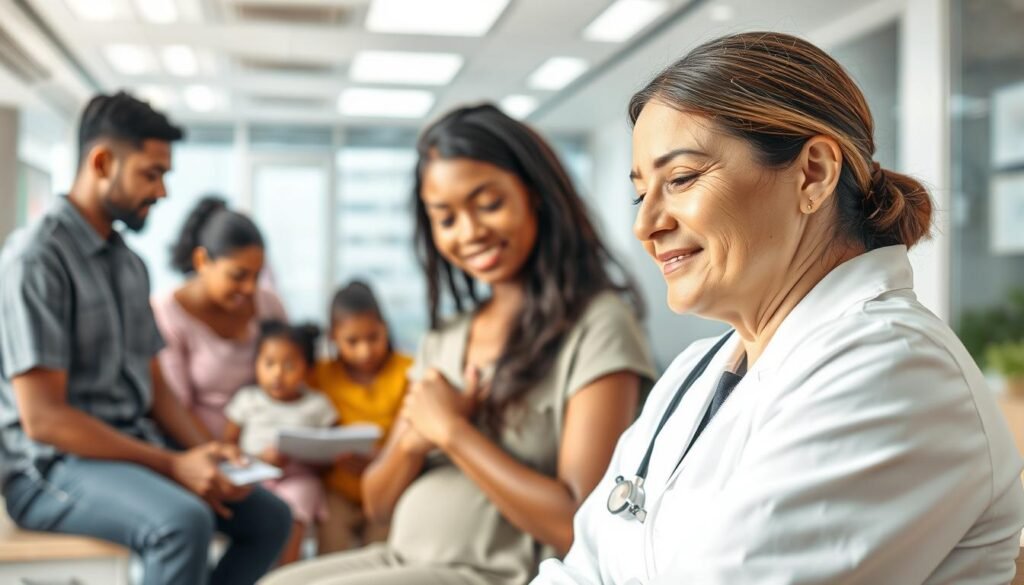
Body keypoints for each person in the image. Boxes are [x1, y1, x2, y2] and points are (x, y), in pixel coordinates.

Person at [532, 32, 1024, 585]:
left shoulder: (898, 369)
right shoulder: (695, 371)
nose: (646, 225)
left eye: (682, 179)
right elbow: (580, 568)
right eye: (640, 193)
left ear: (812, 172)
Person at [261, 104, 657, 585]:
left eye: (488, 204)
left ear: (536, 196)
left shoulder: (598, 325)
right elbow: (377, 502)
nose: (468, 232)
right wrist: (413, 440)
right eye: (445, 218)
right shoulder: (444, 339)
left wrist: (451, 430)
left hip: (492, 573)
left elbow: (580, 525)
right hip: (400, 557)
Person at [0, 91, 291, 585]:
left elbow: (155, 386)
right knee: (181, 522)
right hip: (48, 470)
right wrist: (173, 464)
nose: (162, 192)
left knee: (271, 519)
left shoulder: (130, 265)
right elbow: (45, 420)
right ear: (101, 162)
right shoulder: (35, 260)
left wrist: (207, 452)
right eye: (151, 174)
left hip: (128, 450)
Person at [152, 195, 287, 439]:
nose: (249, 289)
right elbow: (175, 406)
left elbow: (294, 365)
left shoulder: (268, 303)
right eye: (238, 275)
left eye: (256, 276)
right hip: (204, 448)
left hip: (272, 448)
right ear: (202, 261)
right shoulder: (167, 313)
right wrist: (221, 456)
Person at [309, 281, 413, 553]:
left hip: (390, 486)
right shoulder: (321, 375)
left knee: (380, 552)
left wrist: (382, 456)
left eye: (373, 337)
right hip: (338, 489)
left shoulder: (408, 371)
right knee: (331, 548)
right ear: (333, 338)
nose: (365, 351)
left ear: (385, 329)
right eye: (352, 342)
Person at [225, 320, 337, 566]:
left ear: (308, 370)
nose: (277, 373)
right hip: (255, 476)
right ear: (256, 365)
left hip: (299, 478)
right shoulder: (248, 400)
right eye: (269, 363)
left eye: (289, 365)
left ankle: (286, 573)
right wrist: (259, 459)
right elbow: (227, 447)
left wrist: (308, 455)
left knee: (297, 509)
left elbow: (330, 454)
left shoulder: (317, 406)